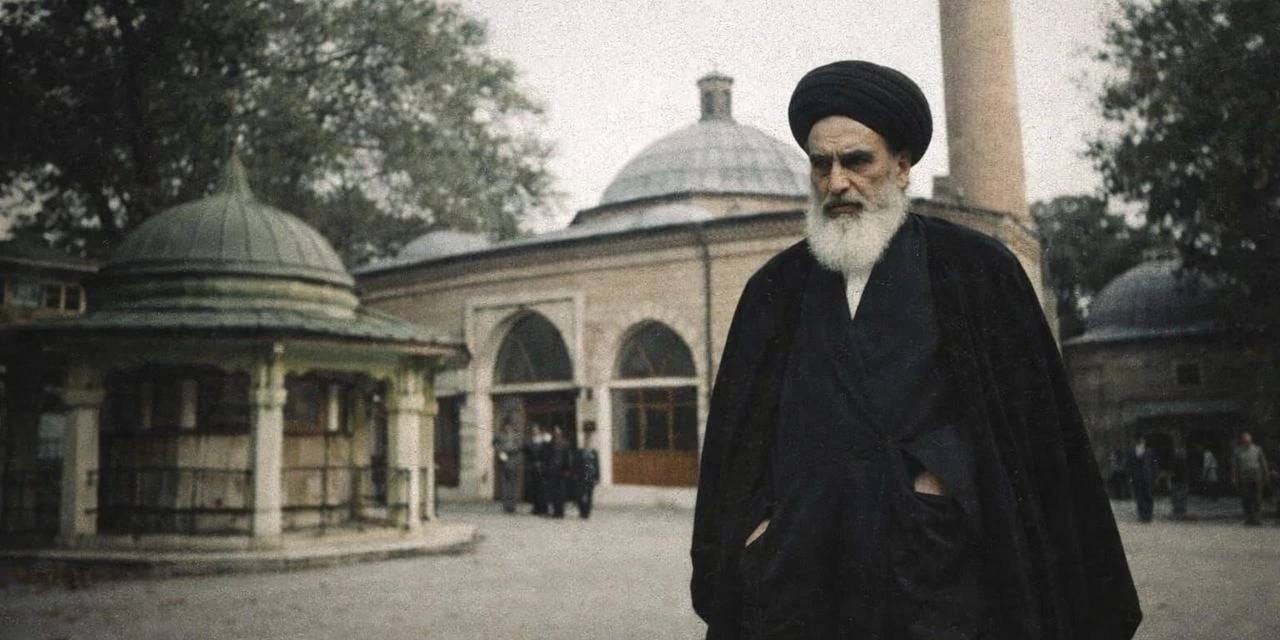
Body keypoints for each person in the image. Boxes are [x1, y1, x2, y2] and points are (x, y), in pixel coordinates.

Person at [690, 60, 1140, 639]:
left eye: (857, 161)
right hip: (801, 582)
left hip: (937, 575)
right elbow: (736, 445)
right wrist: (756, 534)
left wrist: (938, 482)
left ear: (902, 167)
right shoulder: (774, 290)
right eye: (821, 165)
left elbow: (1032, 436)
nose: (836, 183)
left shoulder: (975, 272)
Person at [1232, 431, 1270, 525]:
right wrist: (1234, 477)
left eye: (1248, 441)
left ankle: (1257, 518)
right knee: (1246, 498)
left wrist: (1266, 475)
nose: (1247, 443)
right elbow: (1235, 466)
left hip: (1256, 476)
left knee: (1257, 498)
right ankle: (1248, 517)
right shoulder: (1238, 451)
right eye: (1245, 441)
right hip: (1244, 477)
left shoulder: (1257, 449)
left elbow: (1263, 463)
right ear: (1242, 441)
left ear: (1251, 441)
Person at [493, 420, 523, 514]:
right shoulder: (500, 436)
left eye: (509, 426)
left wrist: (509, 449)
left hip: (514, 462)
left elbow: (519, 446)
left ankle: (513, 506)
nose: (508, 428)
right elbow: (494, 443)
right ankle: (506, 505)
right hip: (504, 463)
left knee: (513, 485)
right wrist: (500, 451)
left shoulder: (516, 436)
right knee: (505, 485)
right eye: (506, 426)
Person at [1127, 436, 1157, 523]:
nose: (1141, 443)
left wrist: (1154, 476)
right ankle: (1141, 515)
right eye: (1140, 441)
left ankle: (1148, 516)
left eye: (1143, 441)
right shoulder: (1131, 452)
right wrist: (1130, 476)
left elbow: (1154, 464)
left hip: (1147, 477)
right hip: (1136, 477)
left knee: (1148, 496)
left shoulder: (1149, 451)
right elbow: (1129, 465)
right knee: (1139, 497)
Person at [573, 431, 601, 519]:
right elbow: (575, 464)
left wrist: (597, 477)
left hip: (590, 476)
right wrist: (575, 474)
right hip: (580, 476)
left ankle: (586, 513)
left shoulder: (594, 452)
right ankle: (582, 510)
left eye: (589, 440)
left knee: (589, 495)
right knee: (578, 495)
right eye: (586, 440)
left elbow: (597, 465)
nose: (587, 442)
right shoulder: (579, 452)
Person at [546, 426, 572, 518]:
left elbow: (568, 457)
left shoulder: (566, 443)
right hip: (552, 470)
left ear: (561, 433)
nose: (556, 434)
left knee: (561, 492)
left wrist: (567, 469)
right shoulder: (550, 443)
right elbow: (548, 456)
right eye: (555, 432)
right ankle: (555, 511)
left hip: (562, 470)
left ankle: (560, 511)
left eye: (558, 432)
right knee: (553, 492)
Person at [524, 423, 548, 516]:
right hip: (533, 466)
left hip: (543, 466)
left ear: (539, 430)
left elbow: (547, 452)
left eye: (536, 429)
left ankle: (543, 508)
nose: (535, 431)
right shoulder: (529, 441)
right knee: (534, 488)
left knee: (543, 488)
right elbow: (526, 453)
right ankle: (536, 507)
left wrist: (542, 462)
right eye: (533, 430)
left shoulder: (544, 440)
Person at [1170, 444, 1190, 519]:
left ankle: (1178, 513)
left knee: (1177, 498)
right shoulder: (1183, 462)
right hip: (1180, 481)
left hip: (1179, 481)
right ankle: (1180, 513)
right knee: (1180, 498)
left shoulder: (1177, 461)